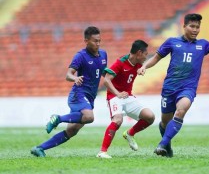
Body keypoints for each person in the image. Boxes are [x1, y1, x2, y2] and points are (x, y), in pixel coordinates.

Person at [138, 14, 209, 157]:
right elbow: (156, 58)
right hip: (169, 88)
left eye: (197, 27)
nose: (195, 29)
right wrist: (144, 67)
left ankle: (161, 144)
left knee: (181, 111)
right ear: (184, 26)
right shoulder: (172, 42)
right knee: (165, 123)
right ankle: (167, 146)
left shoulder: (203, 44)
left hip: (188, 88)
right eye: (192, 26)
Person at [30, 26, 108, 157]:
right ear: (86, 41)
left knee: (72, 130)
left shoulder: (104, 54)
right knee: (89, 117)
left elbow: (104, 72)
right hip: (78, 94)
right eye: (95, 41)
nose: (98, 44)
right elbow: (68, 75)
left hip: (90, 97)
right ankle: (58, 118)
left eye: (99, 40)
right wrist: (75, 78)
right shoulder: (80, 56)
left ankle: (39, 148)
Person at [96, 40, 155, 158]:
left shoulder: (138, 64)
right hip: (114, 96)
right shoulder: (120, 63)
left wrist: (144, 67)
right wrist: (117, 93)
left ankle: (129, 134)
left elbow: (149, 63)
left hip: (128, 96)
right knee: (118, 120)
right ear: (139, 53)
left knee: (150, 116)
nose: (146, 57)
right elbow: (106, 80)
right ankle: (102, 152)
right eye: (145, 54)